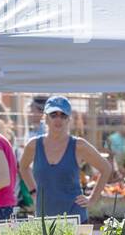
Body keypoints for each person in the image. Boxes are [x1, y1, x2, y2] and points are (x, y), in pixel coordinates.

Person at [18, 95, 112, 223]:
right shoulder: (33, 145)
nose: (58, 119)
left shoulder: (79, 145)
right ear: (45, 118)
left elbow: (106, 168)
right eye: (53, 114)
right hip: (44, 219)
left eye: (63, 115)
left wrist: (92, 199)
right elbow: (23, 167)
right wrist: (34, 191)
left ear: (69, 120)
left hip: (75, 218)